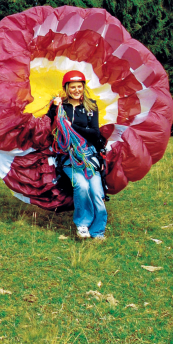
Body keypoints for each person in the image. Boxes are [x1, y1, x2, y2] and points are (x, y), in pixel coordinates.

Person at [47, 71, 108, 240]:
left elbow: (94, 133)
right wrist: (53, 107)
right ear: (66, 88)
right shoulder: (61, 107)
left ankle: (98, 230)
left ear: (83, 87)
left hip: (89, 155)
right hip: (68, 156)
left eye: (79, 87)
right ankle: (83, 224)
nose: (76, 90)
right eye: (72, 87)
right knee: (81, 185)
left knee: (96, 190)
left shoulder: (91, 106)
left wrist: (70, 125)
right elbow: (48, 123)